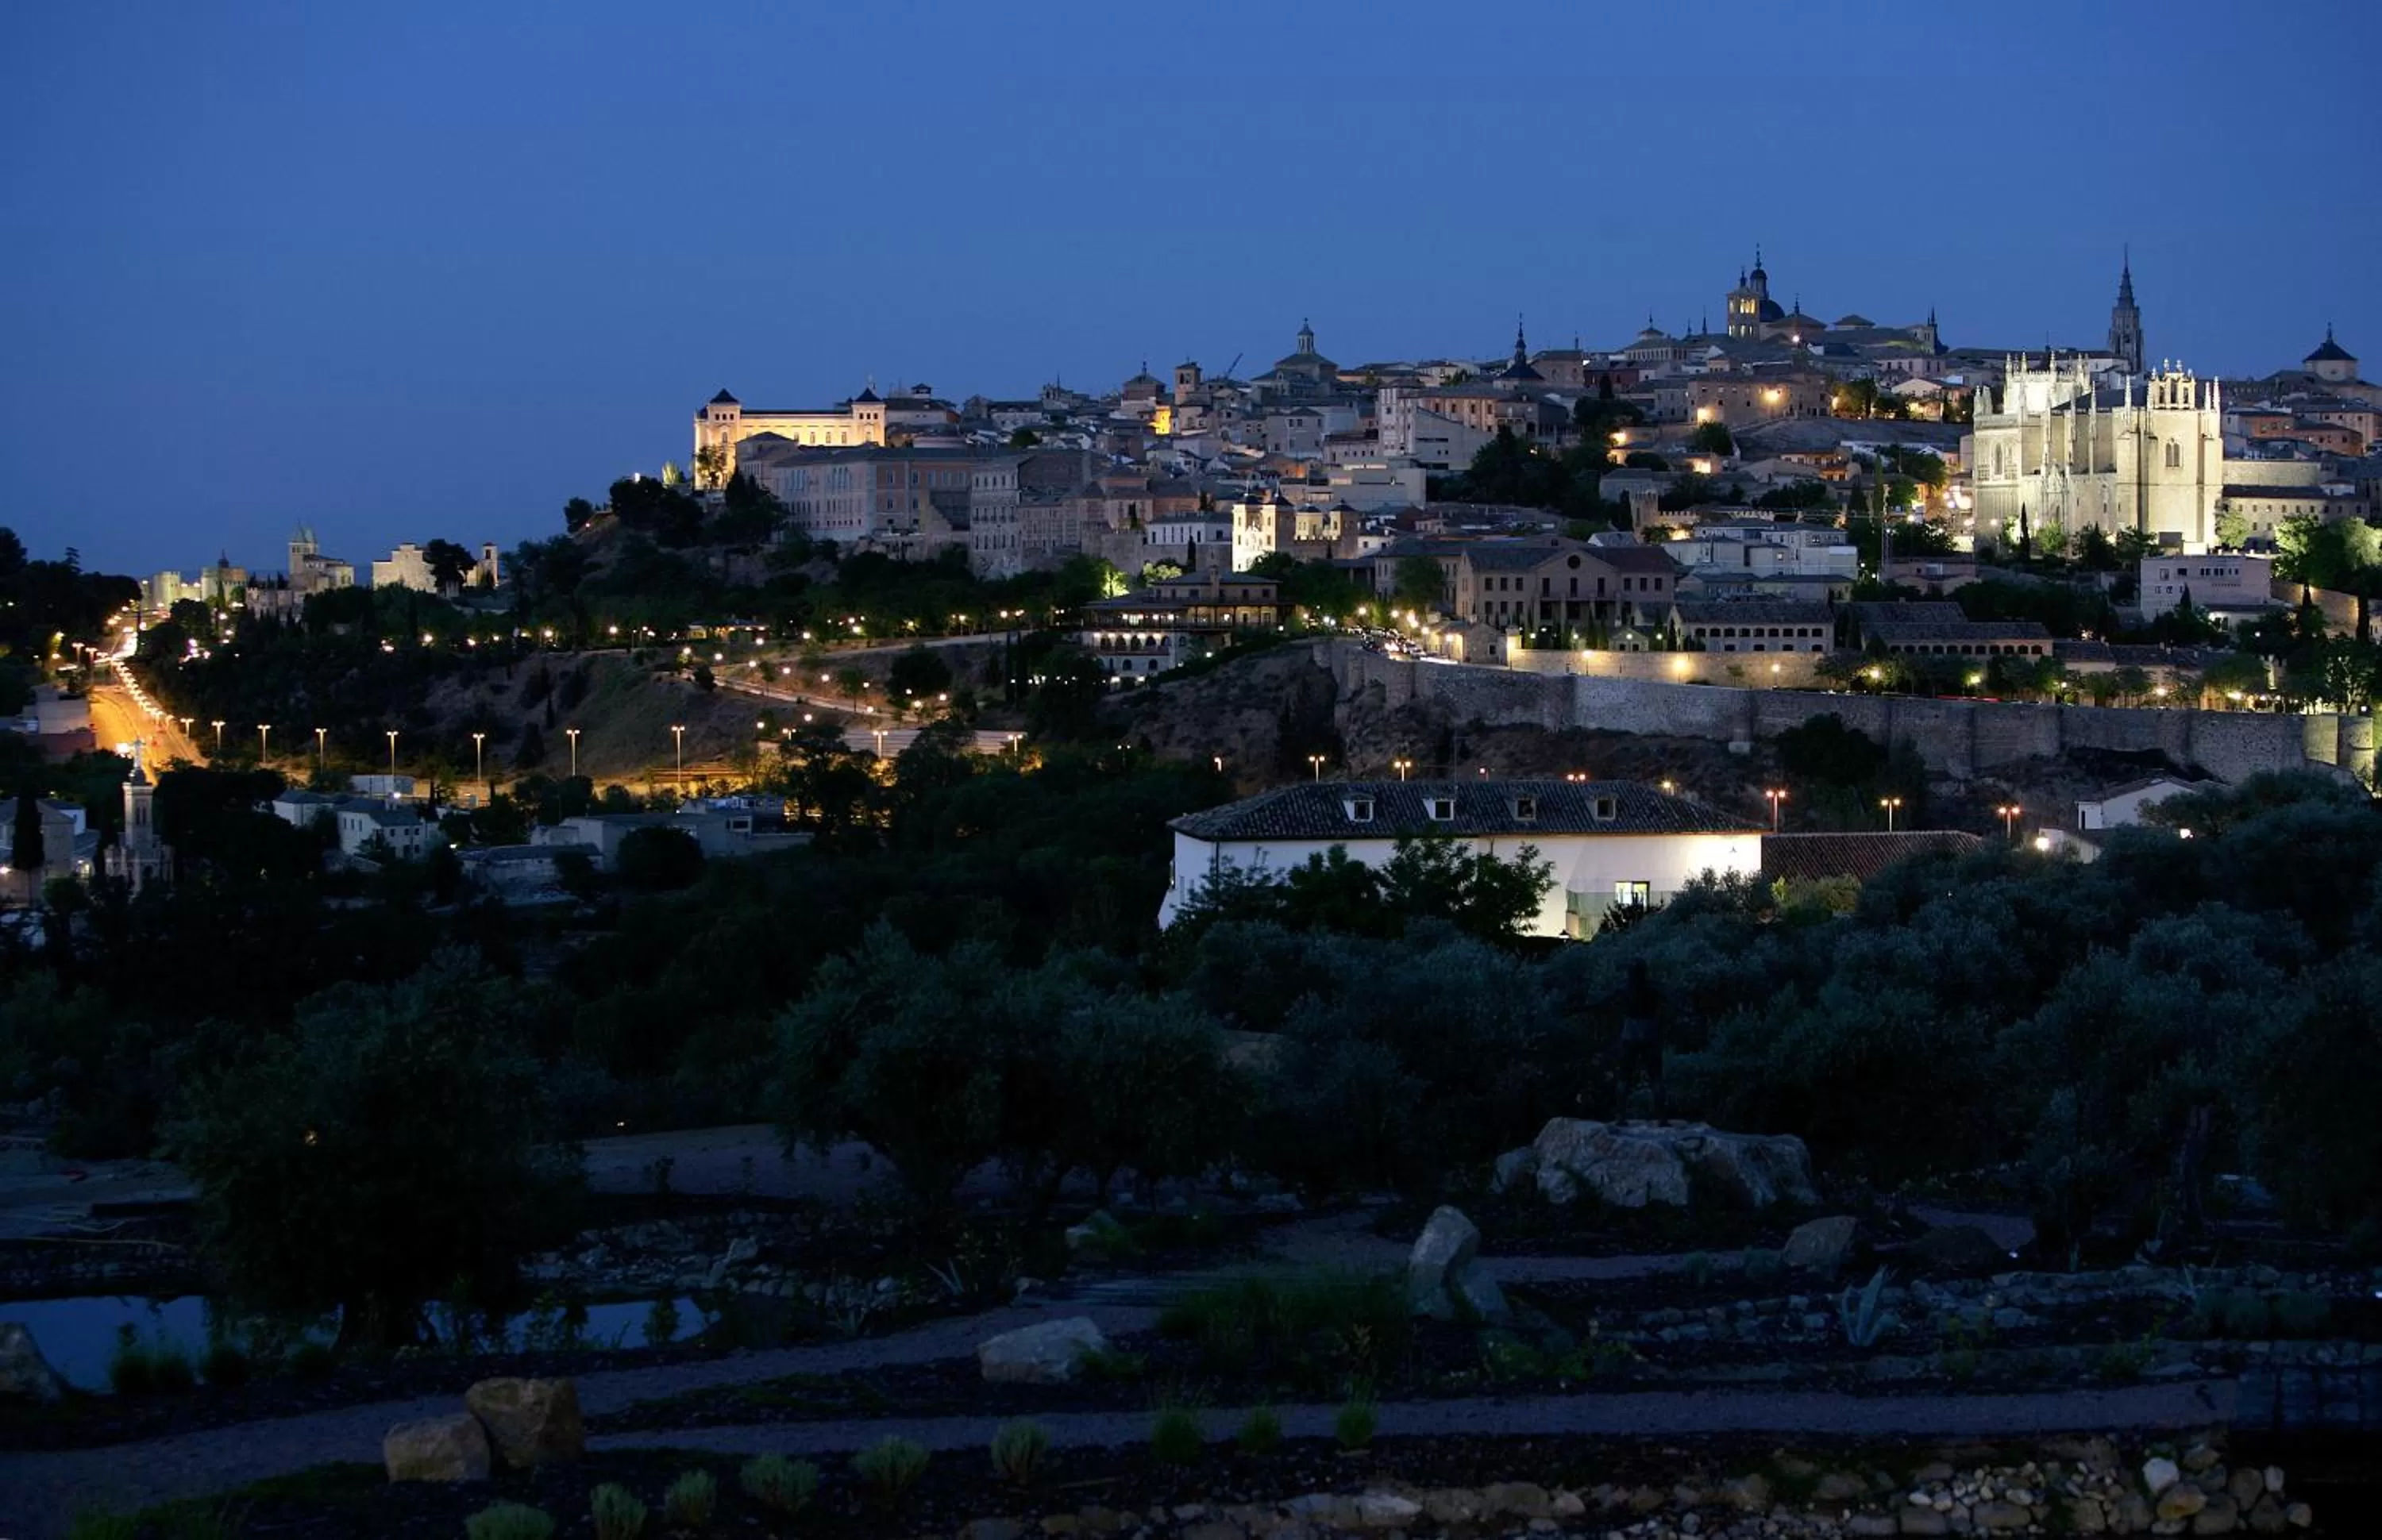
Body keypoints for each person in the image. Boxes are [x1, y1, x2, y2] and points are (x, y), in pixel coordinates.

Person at [1613, 957, 1664, 1118]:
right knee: (1656, 1078)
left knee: (1624, 1078)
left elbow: (1600, 1001)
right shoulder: (1654, 988)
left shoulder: (1624, 988)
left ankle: (1620, 1117)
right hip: (1650, 1033)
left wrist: (1578, 1009)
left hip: (1629, 1034)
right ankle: (1661, 1118)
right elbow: (1675, 1001)